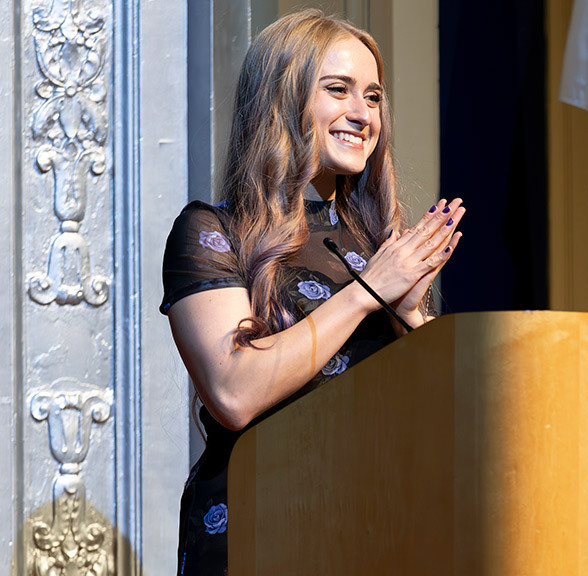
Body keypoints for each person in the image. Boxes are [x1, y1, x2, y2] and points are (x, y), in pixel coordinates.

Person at [159, 10, 464, 575]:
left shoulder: (376, 247)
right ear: (282, 98)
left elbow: (449, 425)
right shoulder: (212, 231)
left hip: (378, 529)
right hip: (261, 529)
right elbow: (233, 392)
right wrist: (367, 293)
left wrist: (411, 319)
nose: (363, 114)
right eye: (338, 90)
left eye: (373, 97)